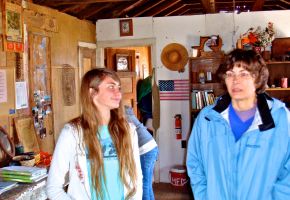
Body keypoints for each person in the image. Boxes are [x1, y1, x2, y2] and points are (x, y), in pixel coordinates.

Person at [186, 49, 290, 200]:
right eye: (230, 74)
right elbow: (195, 164)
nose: (235, 80)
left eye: (244, 74)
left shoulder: (280, 118)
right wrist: (204, 196)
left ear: (258, 79)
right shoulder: (207, 118)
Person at [46, 68, 142, 200]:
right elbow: (53, 187)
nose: (118, 93)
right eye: (111, 87)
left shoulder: (128, 131)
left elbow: (136, 177)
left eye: (118, 88)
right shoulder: (72, 133)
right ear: (92, 92)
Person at [125, 106, 158, 200]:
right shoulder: (129, 114)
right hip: (152, 146)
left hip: (145, 150)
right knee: (148, 184)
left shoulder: (123, 116)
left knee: (144, 185)